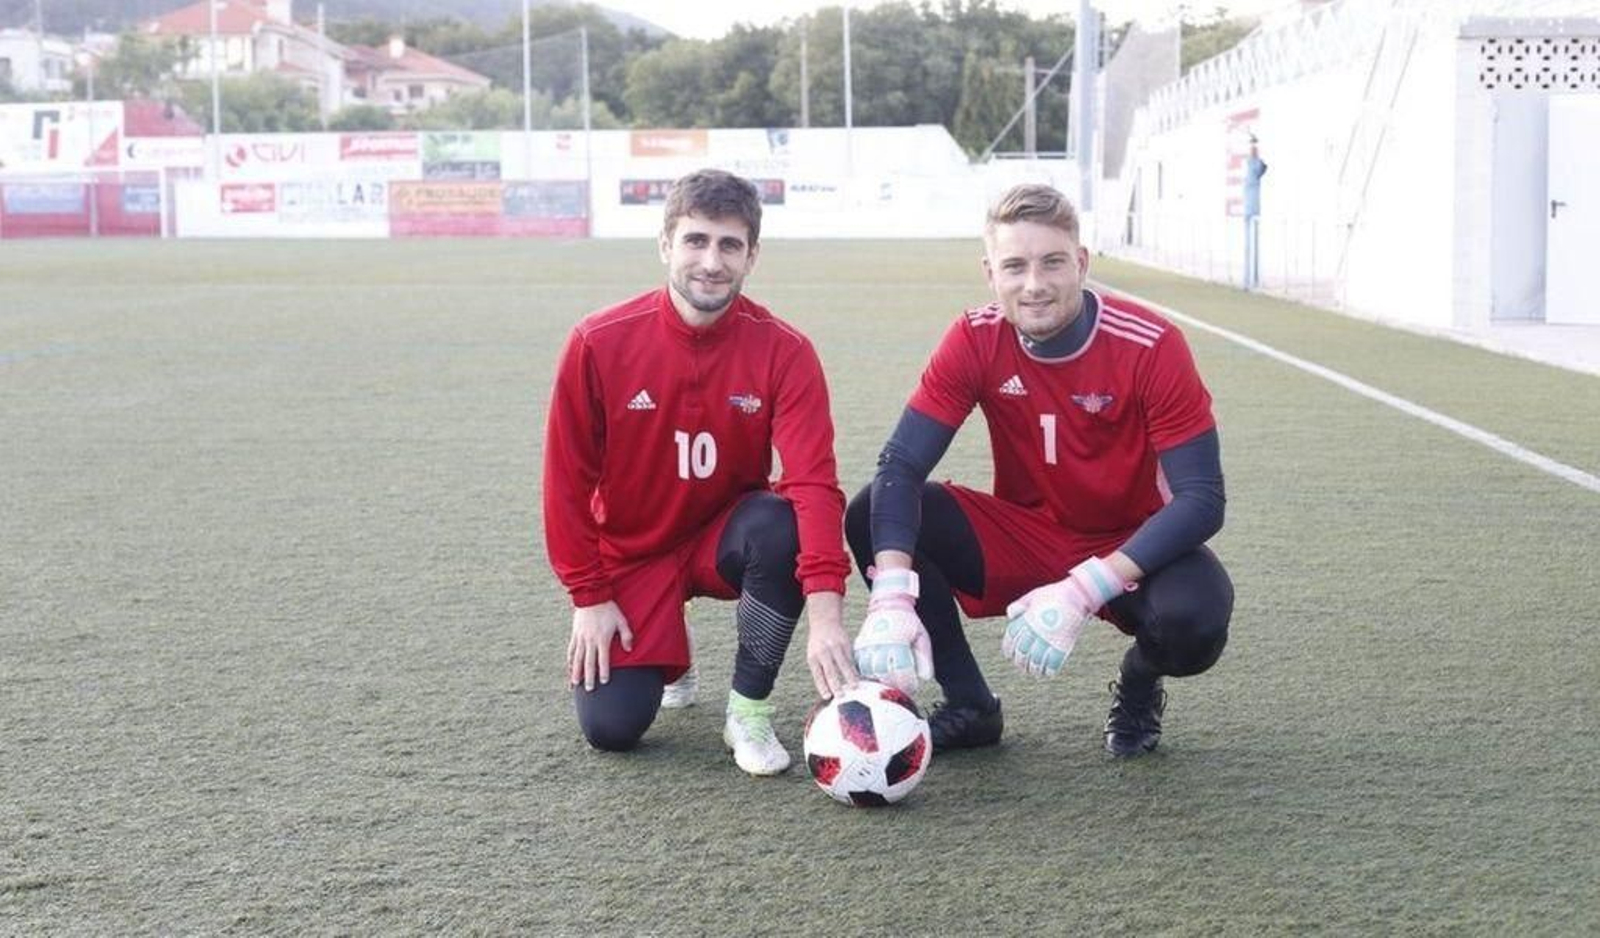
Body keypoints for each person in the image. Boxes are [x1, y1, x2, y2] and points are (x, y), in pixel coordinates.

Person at [846, 183, 1233, 758]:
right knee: (871, 512)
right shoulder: (975, 337)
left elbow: (1202, 498)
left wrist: (1086, 588)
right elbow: (900, 464)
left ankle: (1138, 682)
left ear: (1080, 262)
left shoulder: (1151, 344)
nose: (1034, 284)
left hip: (1131, 546)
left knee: (1195, 624)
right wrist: (892, 597)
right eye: (1015, 266)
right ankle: (971, 705)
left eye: (1052, 262)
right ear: (990, 273)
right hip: (1029, 535)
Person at [543, 169, 857, 775]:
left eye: (729, 245)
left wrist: (826, 617)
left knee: (779, 522)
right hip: (632, 553)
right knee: (613, 730)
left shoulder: (785, 351)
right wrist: (589, 597)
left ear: (752, 256)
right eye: (695, 241)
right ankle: (671, 656)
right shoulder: (597, 341)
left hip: (724, 539)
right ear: (666, 244)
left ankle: (749, 711)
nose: (711, 262)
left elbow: (813, 483)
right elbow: (566, 482)